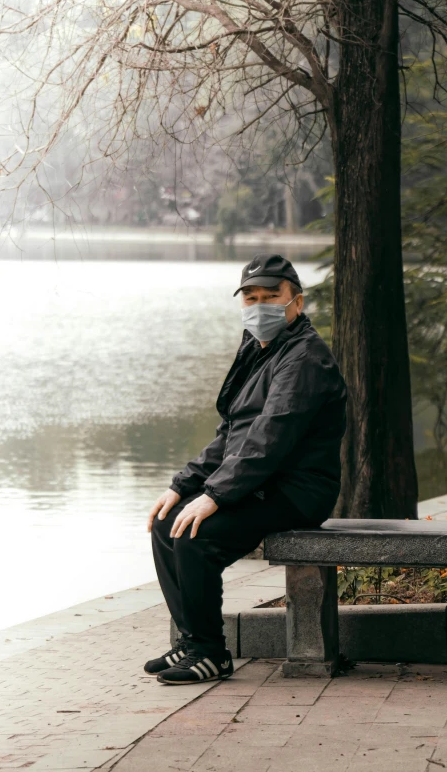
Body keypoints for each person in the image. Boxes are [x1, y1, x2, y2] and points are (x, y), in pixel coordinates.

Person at [145, 253, 347, 685]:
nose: (260, 306)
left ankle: (211, 653)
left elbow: (270, 439)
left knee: (199, 536)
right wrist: (183, 486)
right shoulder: (259, 350)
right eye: (251, 297)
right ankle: (191, 638)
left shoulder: (305, 359)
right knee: (167, 522)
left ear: (297, 302)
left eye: (272, 296)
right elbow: (232, 432)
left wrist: (215, 495)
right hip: (261, 483)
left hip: (296, 490)